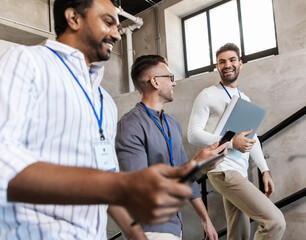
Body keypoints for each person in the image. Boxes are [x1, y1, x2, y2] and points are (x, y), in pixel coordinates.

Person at [0, 0, 214, 239]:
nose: (117, 34)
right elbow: (4, 164)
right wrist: (121, 186)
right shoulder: (26, 62)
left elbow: (109, 184)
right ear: (74, 18)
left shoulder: (104, 101)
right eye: (108, 21)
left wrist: (139, 236)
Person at [115, 55, 227, 240]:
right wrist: (196, 163)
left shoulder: (173, 125)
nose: (174, 83)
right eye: (170, 77)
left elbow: (188, 178)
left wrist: (205, 219)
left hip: (175, 227)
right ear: (155, 82)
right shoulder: (130, 125)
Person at [187, 43, 286, 240]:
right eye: (222, 61)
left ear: (240, 63)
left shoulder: (244, 98)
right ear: (217, 67)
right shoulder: (207, 94)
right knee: (274, 222)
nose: (227, 65)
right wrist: (231, 142)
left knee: (239, 233)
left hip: (240, 172)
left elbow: (252, 138)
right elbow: (193, 134)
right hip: (222, 169)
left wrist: (264, 170)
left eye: (232, 60)